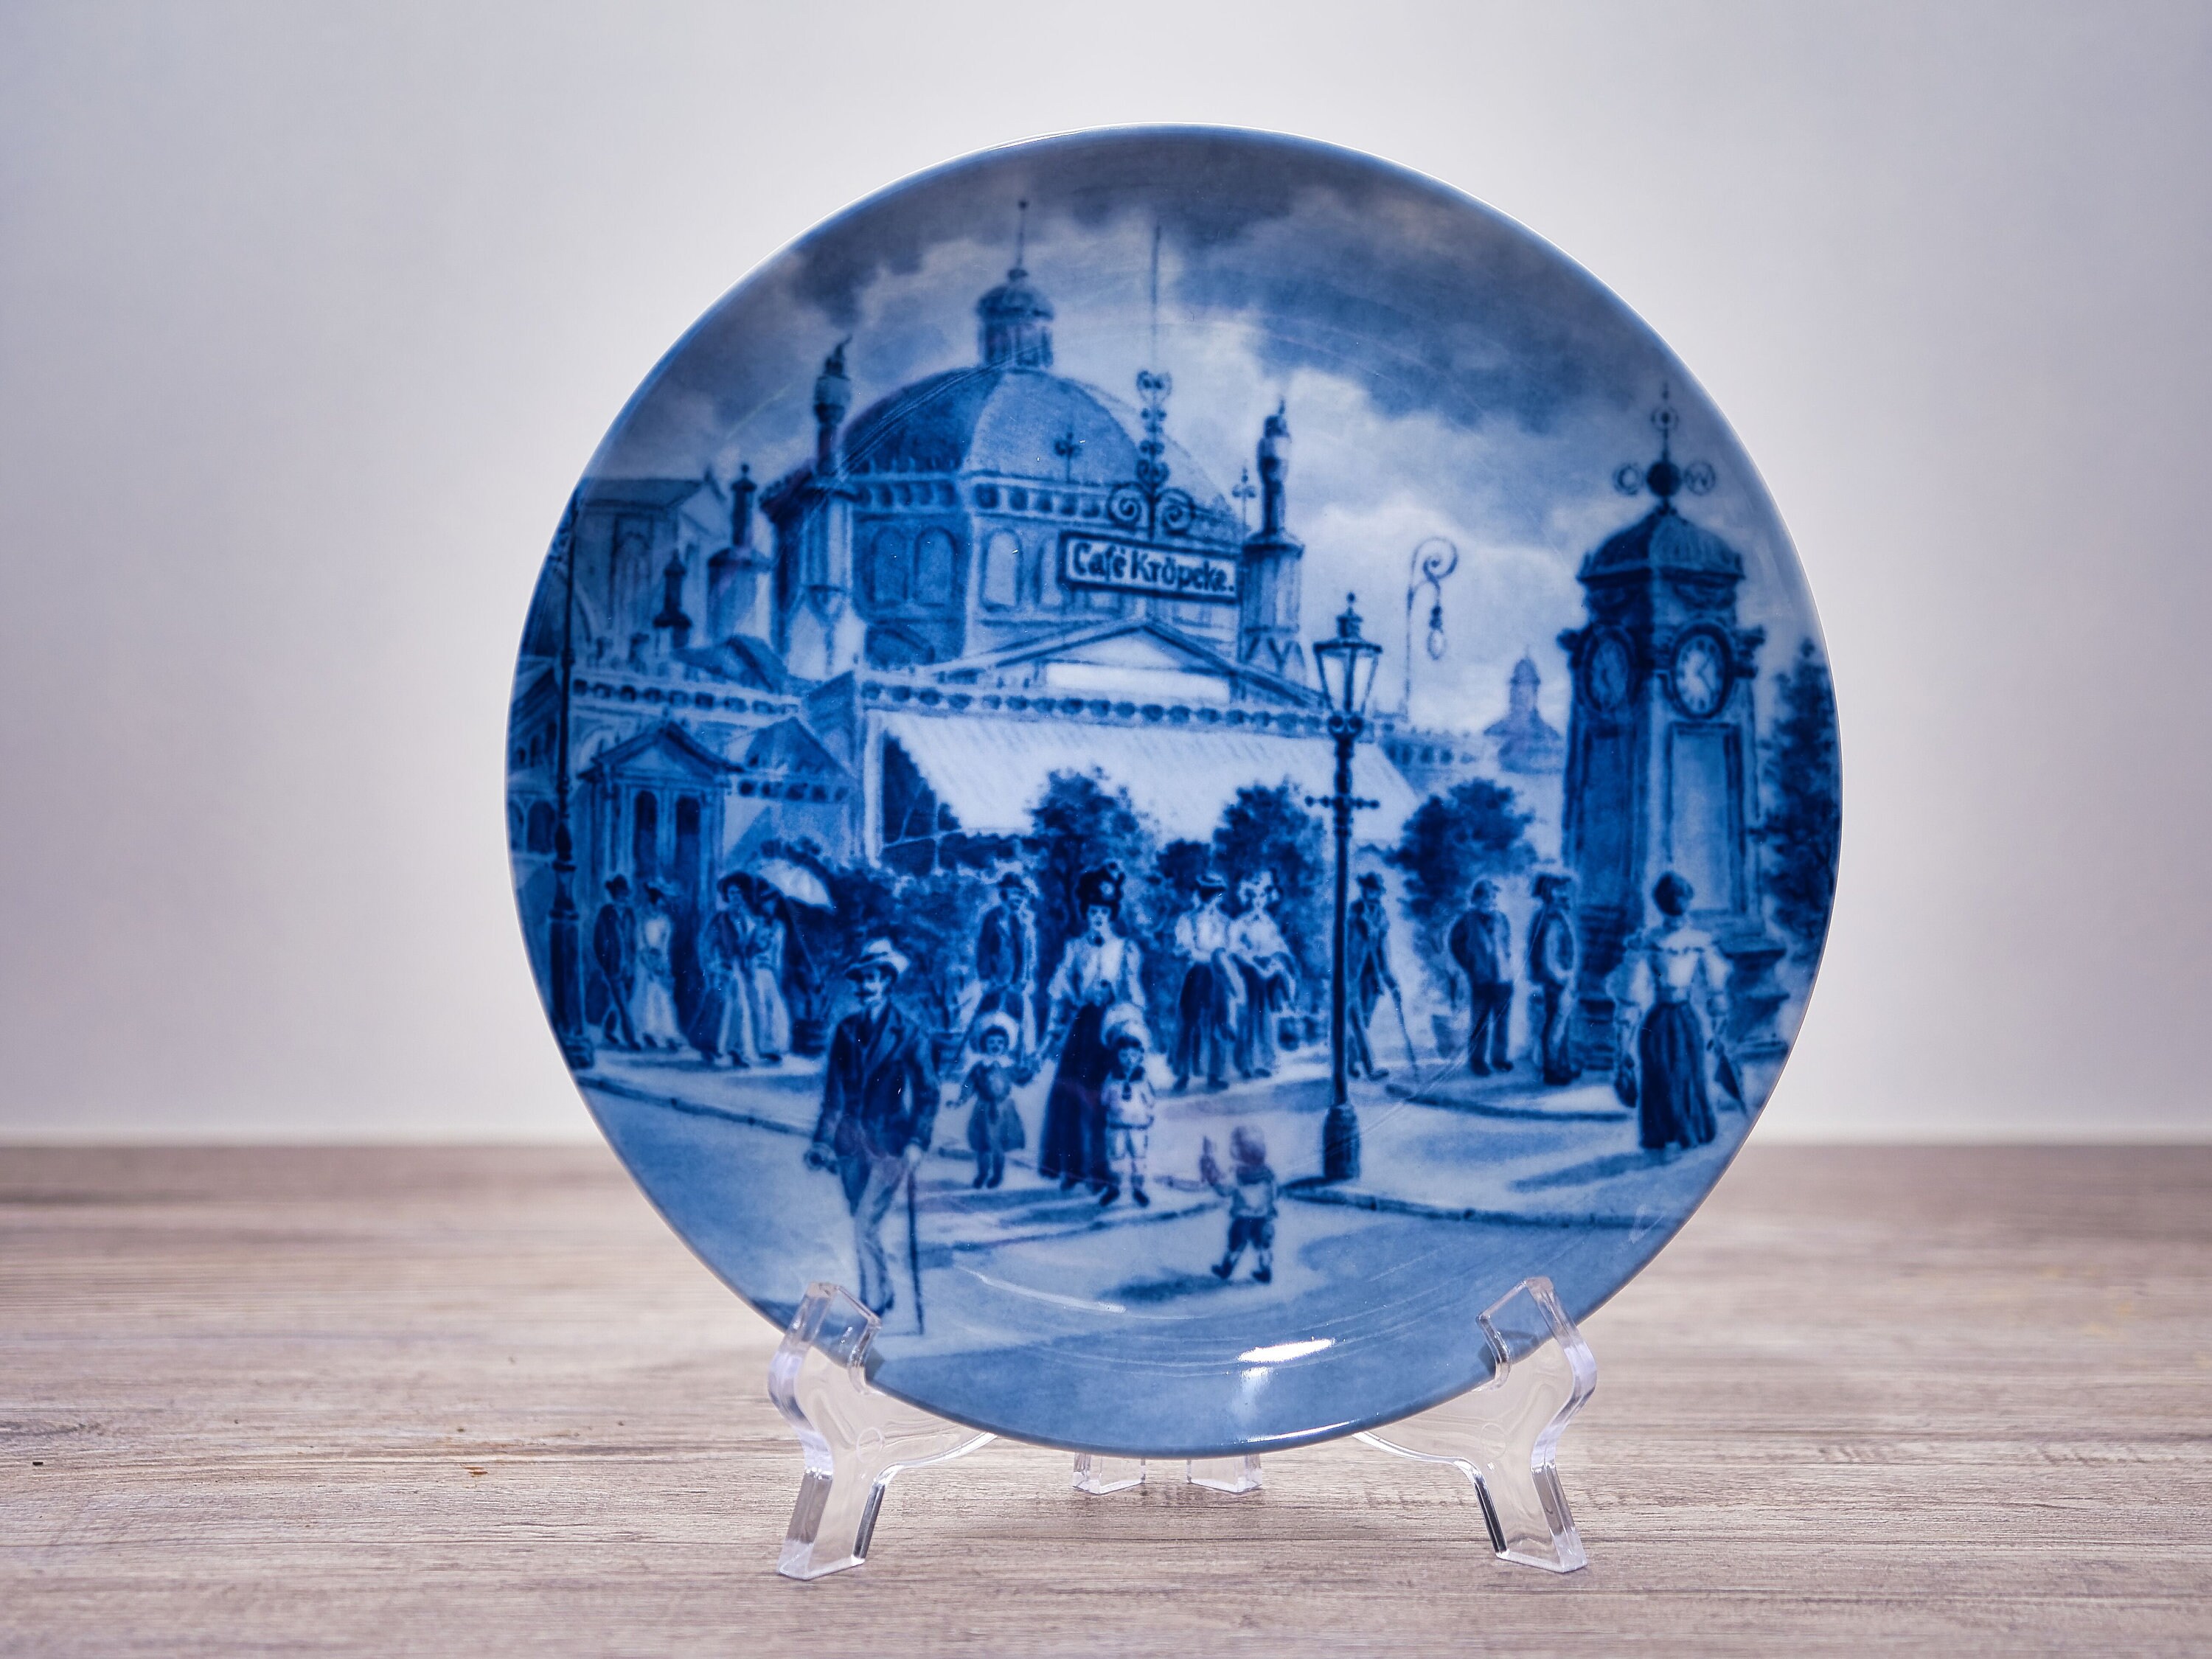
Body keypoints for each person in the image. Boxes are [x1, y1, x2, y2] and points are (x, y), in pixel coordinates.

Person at [804, 938, 939, 1316]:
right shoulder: (846, 1030)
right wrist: (822, 1142)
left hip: (891, 1143)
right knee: (863, 1224)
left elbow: (928, 1093)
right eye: (861, 979)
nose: (866, 986)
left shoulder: (909, 1033)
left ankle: (872, 1304)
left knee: (865, 1224)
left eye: (874, 979)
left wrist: (917, 1140)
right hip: (849, 1144)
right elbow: (833, 1095)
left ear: (887, 982)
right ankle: (883, 1289)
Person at [1039, 866, 1144, 1192]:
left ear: (1111, 913)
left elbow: (1134, 993)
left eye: (1103, 911)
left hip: (1111, 1028)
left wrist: (1121, 1005)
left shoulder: (1124, 949)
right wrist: (1080, 997)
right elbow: (1059, 986)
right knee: (1072, 1097)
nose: (1097, 917)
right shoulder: (1075, 947)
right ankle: (1073, 1170)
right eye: (1092, 911)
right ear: (1085, 912)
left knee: (1105, 1099)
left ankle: (1102, 1171)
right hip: (1084, 1027)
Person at [1614, 872, 1730, 1155]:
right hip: (1663, 1020)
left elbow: (1715, 987)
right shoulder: (1649, 941)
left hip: (1680, 1019)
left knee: (1684, 1074)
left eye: (1680, 897)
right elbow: (1631, 994)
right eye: (1674, 898)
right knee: (1663, 1075)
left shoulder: (1696, 941)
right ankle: (1666, 1132)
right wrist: (1623, 1044)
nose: (1678, 903)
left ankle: (1686, 1130)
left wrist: (1719, 1028)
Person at [1169, 872, 1242, 1091]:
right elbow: (1183, 949)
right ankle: (1183, 1073)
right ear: (1200, 894)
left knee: (1219, 1021)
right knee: (1189, 1021)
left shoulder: (1226, 923)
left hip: (1218, 975)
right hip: (1198, 974)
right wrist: (1208, 956)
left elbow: (1230, 950)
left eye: (1215, 895)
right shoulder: (1188, 920)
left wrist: (1219, 959)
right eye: (1207, 894)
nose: (1211, 899)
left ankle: (1215, 1073)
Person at [1228, 873, 1298, 1080]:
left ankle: (1266, 1061)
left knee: (1267, 1017)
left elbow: (1278, 946)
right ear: (1248, 899)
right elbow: (1236, 950)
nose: (1258, 901)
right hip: (1248, 973)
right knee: (1249, 1016)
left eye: (1261, 897)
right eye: (1254, 897)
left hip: (1267, 973)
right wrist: (1256, 966)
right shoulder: (1241, 923)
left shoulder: (1268, 923)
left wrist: (1277, 963)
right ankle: (1247, 1063)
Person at [1447, 877, 1513, 1076]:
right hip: (1481, 980)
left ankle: (1499, 1059)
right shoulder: (1466, 921)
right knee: (1480, 1022)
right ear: (1475, 900)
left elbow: (1506, 943)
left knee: (1502, 1021)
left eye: (1492, 897)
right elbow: (1455, 944)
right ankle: (1477, 1061)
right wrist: (1471, 965)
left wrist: (1504, 960)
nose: (1490, 901)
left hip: (1503, 979)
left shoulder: (1502, 919)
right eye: (1485, 897)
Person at [972, 871, 1040, 1059]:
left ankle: (1019, 1059)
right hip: (995, 979)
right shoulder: (992, 919)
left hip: (1016, 982)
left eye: (1022, 895)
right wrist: (985, 977)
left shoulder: (1023, 922)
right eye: (1015, 893)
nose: (1019, 899)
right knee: (988, 1017)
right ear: (1004, 893)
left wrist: (1024, 978)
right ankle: (983, 1058)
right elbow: (983, 949)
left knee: (1019, 1019)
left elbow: (1027, 955)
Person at [1202, 1125, 1279, 1284]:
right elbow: (1275, 1192)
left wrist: (1213, 1178)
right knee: (1263, 1246)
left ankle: (1226, 1269)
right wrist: (1269, 1206)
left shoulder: (1237, 1173)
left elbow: (1224, 1190)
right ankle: (1265, 1271)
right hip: (1264, 1217)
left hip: (1243, 1218)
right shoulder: (1268, 1172)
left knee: (1235, 1245)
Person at [960, 1012, 1028, 1190]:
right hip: (983, 1107)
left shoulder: (1008, 1065)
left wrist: (1030, 1070)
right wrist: (962, 1099)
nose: (996, 1046)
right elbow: (969, 1084)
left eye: (1000, 1043)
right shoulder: (980, 1065)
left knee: (997, 1144)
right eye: (992, 1042)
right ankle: (982, 1173)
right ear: (985, 1044)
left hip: (1002, 1109)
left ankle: (997, 1175)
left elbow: (1021, 1079)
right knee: (982, 1144)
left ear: (1005, 1045)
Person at [1098, 1007, 1156, 1209]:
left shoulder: (1143, 1079)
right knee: (1115, 1157)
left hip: (1138, 1126)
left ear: (1140, 1056)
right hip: (1116, 1125)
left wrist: (1148, 1115)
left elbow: (1150, 1100)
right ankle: (1114, 1188)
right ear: (1117, 1056)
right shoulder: (1112, 1078)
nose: (1129, 1060)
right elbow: (1104, 1099)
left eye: (1133, 1056)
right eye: (1124, 1056)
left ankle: (1138, 1189)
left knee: (1138, 1158)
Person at [697, 874, 757, 1066]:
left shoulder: (748, 921)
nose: (736, 897)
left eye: (739, 893)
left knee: (740, 1009)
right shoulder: (720, 920)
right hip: (723, 968)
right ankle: (709, 1047)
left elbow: (751, 947)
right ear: (727, 896)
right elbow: (707, 945)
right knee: (718, 1007)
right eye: (732, 893)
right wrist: (713, 967)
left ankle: (736, 1050)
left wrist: (750, 958)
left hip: (741, 969)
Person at [1527, 872, 1580, 1086]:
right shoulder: (1550, 918)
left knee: (1560, 1023)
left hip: (1559, 978)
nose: (1565, 894)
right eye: (1560, 889)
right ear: (1550, 892)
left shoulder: (1554, 915)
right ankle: (1552, 1069)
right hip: (1556, 980)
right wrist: (1561, 977)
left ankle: (1562, 1066)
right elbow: (1548, 954)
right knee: (1556, 1023)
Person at [1345, 872, 1399, 1081]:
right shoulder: (1354, 910)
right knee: (1357, 1020)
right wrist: (1363, 922)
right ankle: (1370, 1067)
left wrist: (1390, 979)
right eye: (1369, 889)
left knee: (1364, 1021)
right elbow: (1349, 938)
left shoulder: (1381, 914)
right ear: (1364, 890)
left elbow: (1384, 948)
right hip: (1353, 974)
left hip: (1372, 975)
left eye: (1375, 890)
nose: (1372, 893)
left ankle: (1349, 1062)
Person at [741, 883, 792, 1064]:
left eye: (774, 902)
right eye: (767, 901)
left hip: (770, 971)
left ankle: (773, 1046)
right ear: (761, 902)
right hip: (755, 969)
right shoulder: (753, 923)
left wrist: (778, 973)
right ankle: (758, 1046)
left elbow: (778, 953)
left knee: (774, 1007)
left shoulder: (779, 927)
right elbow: (745, 949)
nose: (771, 905)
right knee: (759, 1005)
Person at [633, 885, 687, 1050]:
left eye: (661, 905)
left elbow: (665, 945)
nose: (659, 907)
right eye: (657, 904)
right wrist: (648, 964)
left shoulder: (665, 921)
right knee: (647, 996)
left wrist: (663, 965)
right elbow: (640, 945)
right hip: (645, 961)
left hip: (661, 961)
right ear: (651, 903)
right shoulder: (642, 920)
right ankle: (648, 1031)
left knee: (663, 996)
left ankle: (668, 1034)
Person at [591, 875, 640, 1050]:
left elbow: (633, 940)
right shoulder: (606, 913)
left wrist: (632, 962)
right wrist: (606, 963)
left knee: (622, 1001)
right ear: (614, 895)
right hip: (613, 967)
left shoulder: (630, 914)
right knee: (623, 1005)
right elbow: (599, 941)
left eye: (626, 894)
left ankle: (609, 1029)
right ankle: (631, 1039)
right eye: (620, 894)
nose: (624, 898)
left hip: (629, 968)